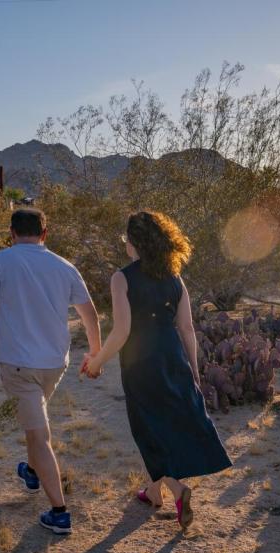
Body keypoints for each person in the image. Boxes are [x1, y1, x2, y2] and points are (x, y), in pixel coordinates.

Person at [0, 208, 101, 535]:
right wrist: (96, 353)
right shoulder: (65, 267)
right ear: (45, 234)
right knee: (35, 419)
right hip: (54, 364)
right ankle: (31, 472)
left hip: (18, 364)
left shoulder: (0, 262)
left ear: (11, 233)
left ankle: (59, 512)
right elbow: (90, 313)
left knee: (38, 433)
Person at [85, 210, 231, 530]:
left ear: (134, 242)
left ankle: (177, 490)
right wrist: (193, 369)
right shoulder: (175, 278)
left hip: (140, 364)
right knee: (166, 426)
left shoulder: (122, 278)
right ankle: (153, 493)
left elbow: (121, 332)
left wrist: (96, 363)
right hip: (172, 358)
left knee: (149, 430)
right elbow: (188, 329)